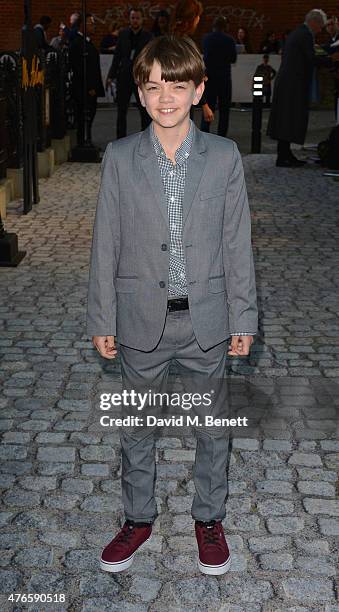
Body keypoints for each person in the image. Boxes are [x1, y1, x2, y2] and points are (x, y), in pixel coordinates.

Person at [87, 34, 257, 577]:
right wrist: (102, 317)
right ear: (139, 92)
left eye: (177, 86)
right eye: (154, 86)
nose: (165, 98)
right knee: (137, 425)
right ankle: (138, 517)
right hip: (140, 322)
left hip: (206, 319)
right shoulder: (118, 158)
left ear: (198, 89)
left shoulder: (224, 157)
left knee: (213, 426)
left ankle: (209, 517)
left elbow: (237, 242)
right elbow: (105, 242)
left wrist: (243, 315)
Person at [267, 9, 338, 167]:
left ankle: (285, 154)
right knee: (289, 118)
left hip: (289, 82)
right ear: (314, 22)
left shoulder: (299, 33)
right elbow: (311, 58)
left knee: (287, 118)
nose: (320, 30)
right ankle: (284, 156)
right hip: (293, 84)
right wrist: (331, 59)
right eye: (320, 26)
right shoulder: (305, 35)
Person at [106, 7, 152, 139]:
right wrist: (111, 76)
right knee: (121, 111)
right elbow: (117, 56)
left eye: (137, 18)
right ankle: (120, 140)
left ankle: (146, 140)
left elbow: (151, 58)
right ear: (129, 19)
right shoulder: (123, 34)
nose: (135, 20)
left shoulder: (148, 36)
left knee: (144, 111)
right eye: (133, 18)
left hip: (141, 79)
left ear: (142, 19)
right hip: (124, 77)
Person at [169, 0, 214, 125]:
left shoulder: (170, 39)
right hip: (184, 100)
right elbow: (192, 77)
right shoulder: (185, 43)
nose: (199, 19)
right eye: (198, 15)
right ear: (192, 19)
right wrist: (205, 105)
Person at [69, 13, 105, 145]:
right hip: (83, 89)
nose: (93, 26)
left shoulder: (86, 42)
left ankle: (87, 139)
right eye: (91, 23)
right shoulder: (77, 44)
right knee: (84, 116)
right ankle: (83, 141)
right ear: (82, 26)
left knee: (89, 115)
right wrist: (90, 87)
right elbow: (80, 68)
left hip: (90, 87)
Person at [200, 16, 237, 137]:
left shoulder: (206, 38)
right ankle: (222, 136)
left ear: (213, 25)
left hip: (209, 77)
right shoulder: (230, 40)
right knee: (224, 109)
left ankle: (205, 133)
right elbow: (233, 59)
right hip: (224, 77)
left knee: (208, 106)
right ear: (225, 26)